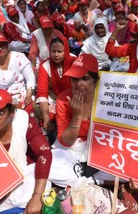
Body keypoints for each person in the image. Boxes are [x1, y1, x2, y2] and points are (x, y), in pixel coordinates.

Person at [0, 89, 52, 214]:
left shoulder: (23, 121)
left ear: (11, 113)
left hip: (25, 175)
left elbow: (44, 153)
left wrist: (36, 196)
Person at [48, 54, 100, 187]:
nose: (78, 84)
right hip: (71, 148)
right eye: (74, 79)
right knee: (52, 166)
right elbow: (66, 141)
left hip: (99, 146)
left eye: (85, 78)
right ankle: (90, 179)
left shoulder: (106, 97)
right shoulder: (63, 99)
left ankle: (86, 180)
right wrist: (77, 116)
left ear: (96, 80)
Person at [36, 36, 76, 139]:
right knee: (37, 110)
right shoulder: (45, 66)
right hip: (54, 99)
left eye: (60, 51)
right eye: (53, 51)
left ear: (66, 50)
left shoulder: (74, 61)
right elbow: (42, 93)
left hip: (73, 97)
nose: (56, 55)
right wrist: (46, 118)